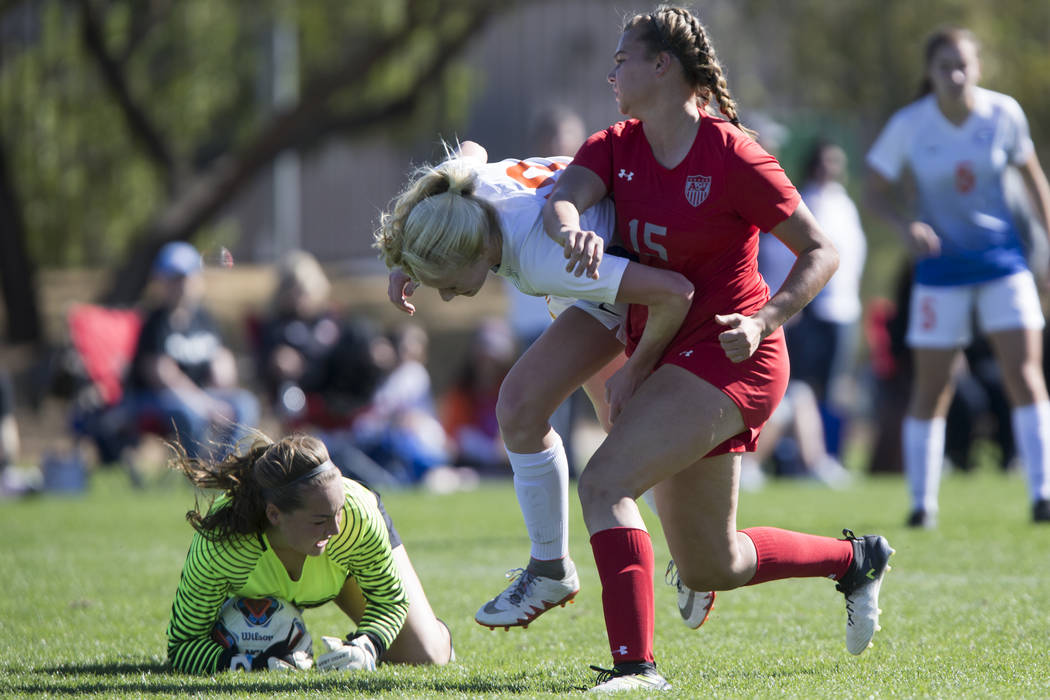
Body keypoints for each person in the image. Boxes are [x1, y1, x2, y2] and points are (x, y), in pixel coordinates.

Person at [543, 7, 893, 691]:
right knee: (713, 564)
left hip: (736, 357)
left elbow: (823, 252)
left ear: (662, 66)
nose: (612, 72)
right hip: (665, 351)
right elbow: (563, 197)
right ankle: (855, 561)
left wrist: (766, 320)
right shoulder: (616, 144)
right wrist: (567, 229)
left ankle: (636, 669)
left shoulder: (732, 155)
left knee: (604, 483)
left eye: (623, 59)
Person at [375, 139, 701, 631]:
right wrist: (409, 259)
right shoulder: (456, 197)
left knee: (524, 409)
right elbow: (472, 149)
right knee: (608, 424)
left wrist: (638, 367)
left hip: (631, 264)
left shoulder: (543, 256)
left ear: (475, 248)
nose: (444, 294)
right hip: (596, 265)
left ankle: (559, 567)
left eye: (446, 279)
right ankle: (686, 551)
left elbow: (672, 291)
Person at [865, 26, 1050, 527]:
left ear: (978, 68)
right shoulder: (911, 124)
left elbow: (1035, 182)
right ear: (930, 72)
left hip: (1002, 264)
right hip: (940, 271)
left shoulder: (1004, 113)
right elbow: (874, 188)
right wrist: (907, 227)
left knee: (1025, 374)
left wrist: (1047, 255)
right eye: (945, 65)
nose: (956, 74)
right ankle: (922, 505)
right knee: (934, 384)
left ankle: (1043, 494)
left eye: (964, 64)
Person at [166, 432, 454, 672]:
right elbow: (183, 645)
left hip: (344, 569)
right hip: (256, 579)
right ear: (274, 514)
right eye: (320, 520)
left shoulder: (357, 517)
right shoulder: (225, 542)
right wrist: (247, 664)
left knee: (425, 654)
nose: (337, 528)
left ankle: (435, 630)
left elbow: (389, 600)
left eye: (338, 511)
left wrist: (367, 645)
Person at [125, 241, 259, 460]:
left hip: (200, 393)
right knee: (187, 413)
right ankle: (199, 473)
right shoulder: (155, 323)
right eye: (173, 279)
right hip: (155, 398)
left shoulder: (204, 318)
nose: (180, 286)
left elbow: (221, 358)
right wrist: (206, 406)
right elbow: (162, 376)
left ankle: (228, 468)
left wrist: (223, 376)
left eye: (184, 278)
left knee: (244, 404)